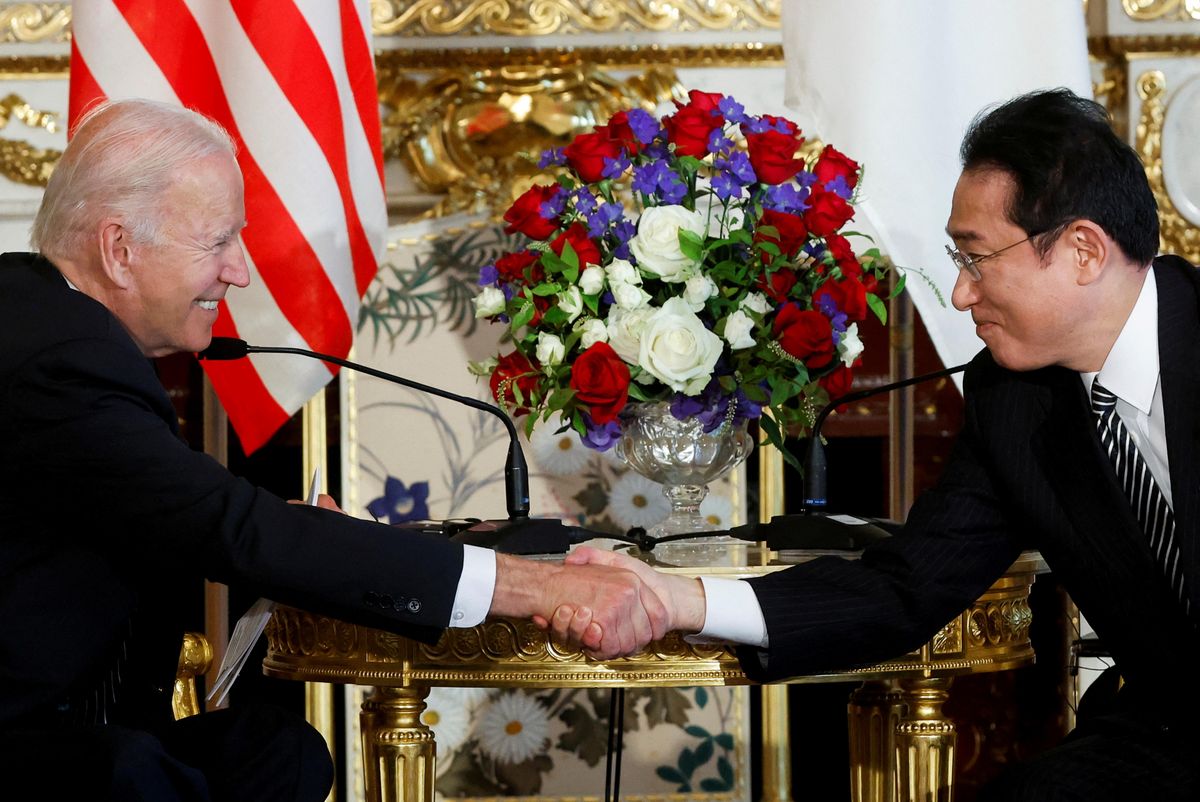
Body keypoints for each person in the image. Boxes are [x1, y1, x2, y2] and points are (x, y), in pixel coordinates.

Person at [0, 98, 668, 801]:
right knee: (136, 774)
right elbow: (228, 528)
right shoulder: (61, 359)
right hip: (35, 741)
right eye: (218, 241)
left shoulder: (43, 319)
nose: (240, 272)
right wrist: (543, 586)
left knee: (277, 753)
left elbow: (154, 514)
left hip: (71, 729)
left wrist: (299, 532)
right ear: (119, 249)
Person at [556, 88, 1200, 800]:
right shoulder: (1012, 399)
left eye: (977, 259)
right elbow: (906, 586)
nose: (959, 294)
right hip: (1162, 742)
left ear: (1082, 250)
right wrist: (683, 601)